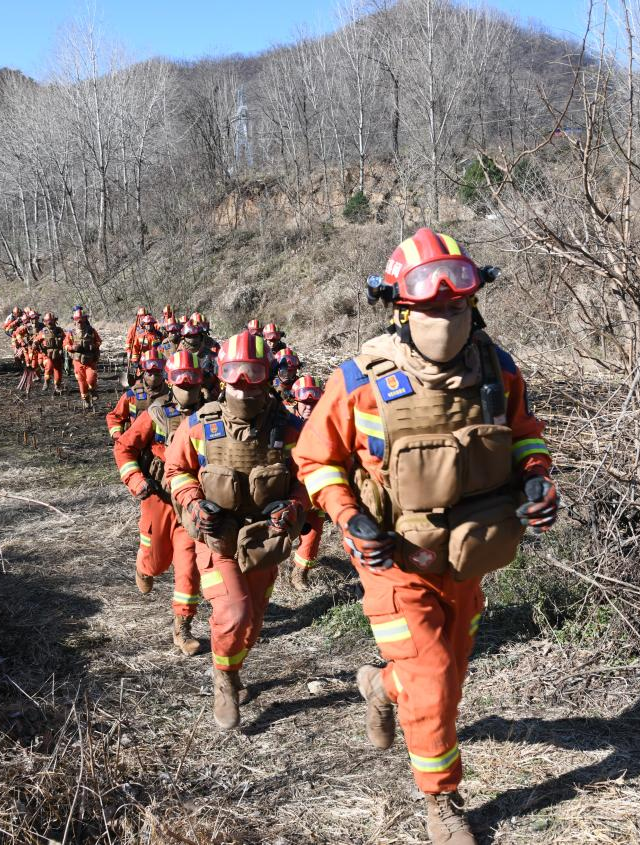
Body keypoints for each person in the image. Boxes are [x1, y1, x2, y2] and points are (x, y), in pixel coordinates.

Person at [291, 228, 558, 845]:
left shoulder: (497, 369)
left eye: (456, 306)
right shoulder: (360, 380)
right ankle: (442, 801)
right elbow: (315, 459)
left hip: (467, 556)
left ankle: (380, 685)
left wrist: (537, 480)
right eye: (431, 308)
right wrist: (347, 515)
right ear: (400, 310)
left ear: (474, 303)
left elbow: (524, 434)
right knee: (433, 676)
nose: (445, 318)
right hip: (392, 560)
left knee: (448, 674)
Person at [164, 331, 308, 729]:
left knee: (253, 620)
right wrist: (193, 501)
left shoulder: (288, 429)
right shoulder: (200, 425)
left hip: (264, 540)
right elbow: (176, 470)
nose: (244, 387)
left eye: (254, 375)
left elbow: (310, 475)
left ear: (268, 378)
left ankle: (233, 665)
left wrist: (295, 506)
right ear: (221, 377)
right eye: (235, 376)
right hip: (217, 537)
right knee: (234, 612)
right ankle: (224, 680)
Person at [116, 348, 208, 656]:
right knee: (155, 560)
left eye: (192, 381)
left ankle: (183, 627)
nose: (187, 388)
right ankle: (144, 568)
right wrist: (135, 480)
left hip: (192, 505)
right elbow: (124, 448)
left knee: (189, 567)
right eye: (181, 382)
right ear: (171, 382)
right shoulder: (156, 414)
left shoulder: (213, 415)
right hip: (158, 500)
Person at [286, 375, 323, 590]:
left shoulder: (327, 423)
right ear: (295, 401)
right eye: (305, 402)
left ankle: (300, 574)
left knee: (313, 532)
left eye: (314, 402)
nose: (309, 406)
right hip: (287, 487)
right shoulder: (284, 422)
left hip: (314, 487)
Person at [105, 347, 168, 439]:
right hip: (135, 443)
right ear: (143, 373)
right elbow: (115, 417)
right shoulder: (131, 396)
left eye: (157, 373)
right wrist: (118, 436)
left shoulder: (172, 396)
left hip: (162, 446)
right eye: (150, 373)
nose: (153, 378)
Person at [67, 305, 103, 409]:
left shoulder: (91, 331)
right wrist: (72, 347)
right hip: (78, 362)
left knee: (91, 377)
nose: (79, 322)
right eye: (77, 320)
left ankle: (93, 389)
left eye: (81, 319)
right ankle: (86, 400)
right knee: (82, 383)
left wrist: (94, 346)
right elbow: (66, 345)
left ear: (85, 319)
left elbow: (99, 341)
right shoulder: (71, 333)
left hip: (90, 361)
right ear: (74, 320)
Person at [38, 312, 66, 393]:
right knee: (49, 367)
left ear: (55, 321)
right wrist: (35, 343)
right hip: (47, 355)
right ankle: (46, 381)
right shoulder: (43, 332)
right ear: (44, 322)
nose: (49, 323)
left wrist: (68, 346)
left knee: (58, 371)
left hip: (58, 354)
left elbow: (66, 339)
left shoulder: (59, 330)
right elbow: (37, 339)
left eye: (51, 320)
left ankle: (57, 386)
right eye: (47, 321)